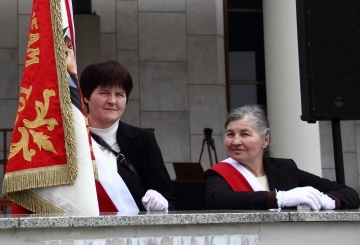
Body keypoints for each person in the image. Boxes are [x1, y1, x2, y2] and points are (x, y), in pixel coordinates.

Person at [204, 104, 360, 210]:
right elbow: (219, 200)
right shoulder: (219, 173)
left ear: (265, 140)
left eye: (245, 134)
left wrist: (329, 201)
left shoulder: (285, 168)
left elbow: (349, 193)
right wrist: (278, 198)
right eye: (230, 134)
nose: (236, 141)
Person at [79, 60, 180, 212]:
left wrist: (162, 207)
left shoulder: (143, 141)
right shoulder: (73, 140)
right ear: (86, 96)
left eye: (119, 95)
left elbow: (171, 202)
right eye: (104, 93)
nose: (112, 101)